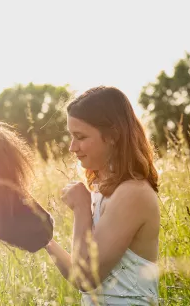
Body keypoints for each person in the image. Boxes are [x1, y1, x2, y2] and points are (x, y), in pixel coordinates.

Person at [45, 86, 160, 305]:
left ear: (113, 135)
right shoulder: (103, 191)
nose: (72, 147)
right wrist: (44, 240)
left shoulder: (133, 193)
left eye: (80, 137)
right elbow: (79, 272)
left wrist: (81, 208)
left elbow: (85, 279)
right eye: (71, 136)